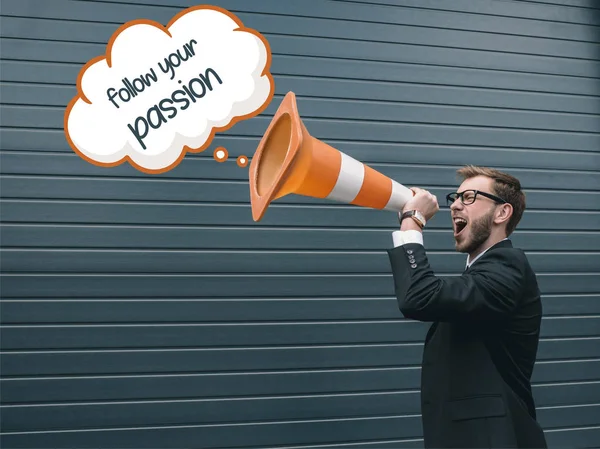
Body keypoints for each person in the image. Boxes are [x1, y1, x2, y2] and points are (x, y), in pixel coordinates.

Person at [387, 165, 548, 448]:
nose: (455, 206)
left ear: (502, 212)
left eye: (470, 197)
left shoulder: (508, 266)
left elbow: (419, 296)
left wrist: (412, 221)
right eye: (456, 198)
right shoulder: (482, 274)